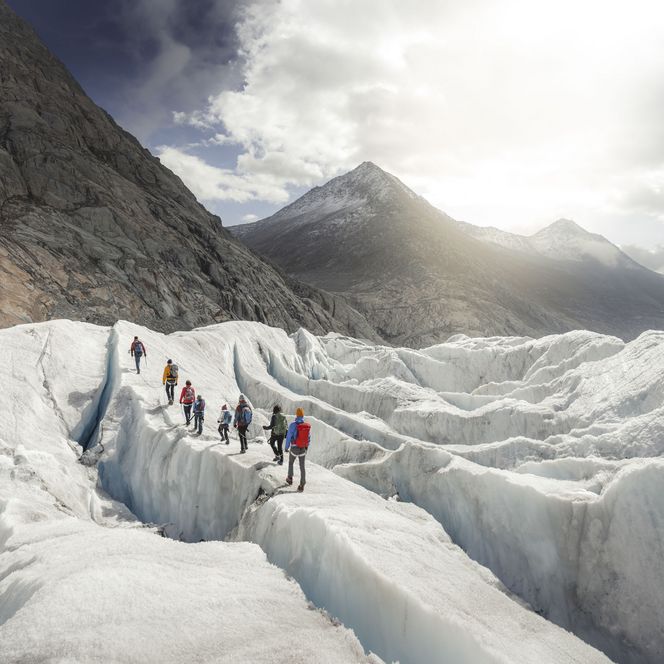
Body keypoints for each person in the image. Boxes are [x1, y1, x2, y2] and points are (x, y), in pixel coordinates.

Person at [285, 408, 310, 492]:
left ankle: (290, 478)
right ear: (302, 415)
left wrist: (286, 447)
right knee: (302, 467)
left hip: (294, 448)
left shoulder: (292, 425)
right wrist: (306, 447)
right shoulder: (306, 426)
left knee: (291, 462)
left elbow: (288, 437)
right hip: (302, 448)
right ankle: (302, 484)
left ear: (296, 415)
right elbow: (309, 438)